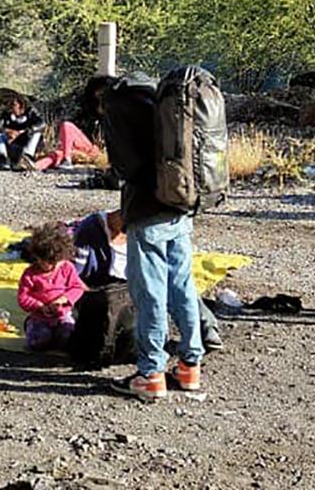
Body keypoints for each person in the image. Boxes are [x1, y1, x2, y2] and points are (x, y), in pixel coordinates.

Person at [98, 74, 205, 402]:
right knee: (183, 288)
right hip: (180, 204)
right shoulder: (162, 102)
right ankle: (190, 366)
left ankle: (151, 374)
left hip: (147, 213)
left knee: (150, 295)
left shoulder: (121, 105)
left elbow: (124, 167)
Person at [71, 209, 225, 350]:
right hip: (107, 290)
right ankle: (157, 351)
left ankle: (205, 330)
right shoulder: (91, 231)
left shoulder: (150, 234)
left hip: (136, 284)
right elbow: (74, 275)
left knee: (177, 285)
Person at [16, 223, 87, 352]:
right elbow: (23, 297)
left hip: (62, 315)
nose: (54, 266)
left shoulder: (66, 268)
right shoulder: (30, 274)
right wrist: (39, 306)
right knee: (39, 342)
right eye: (48, 263)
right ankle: (31, 326)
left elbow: (77, 287)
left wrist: (64, 299)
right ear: (37, 258)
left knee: (68, 339)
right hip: (39, 317)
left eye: (56, 262)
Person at [0, 96, 46, 170]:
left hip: (26, 139)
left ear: (21, 105)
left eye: (13, 104)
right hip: (11, 141)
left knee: (37, 134)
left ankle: (27, 157)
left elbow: (41, 123)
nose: (10, 107)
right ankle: (3, 158)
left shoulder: (31, 113)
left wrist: (25, 131)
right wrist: (7, 131)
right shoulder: (6, 114)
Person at [32, 121, 102, 171]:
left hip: (89, 150)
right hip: (72, 151)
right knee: (56, 154)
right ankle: (36, 166)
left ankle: (67, 159)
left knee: (67, 125)